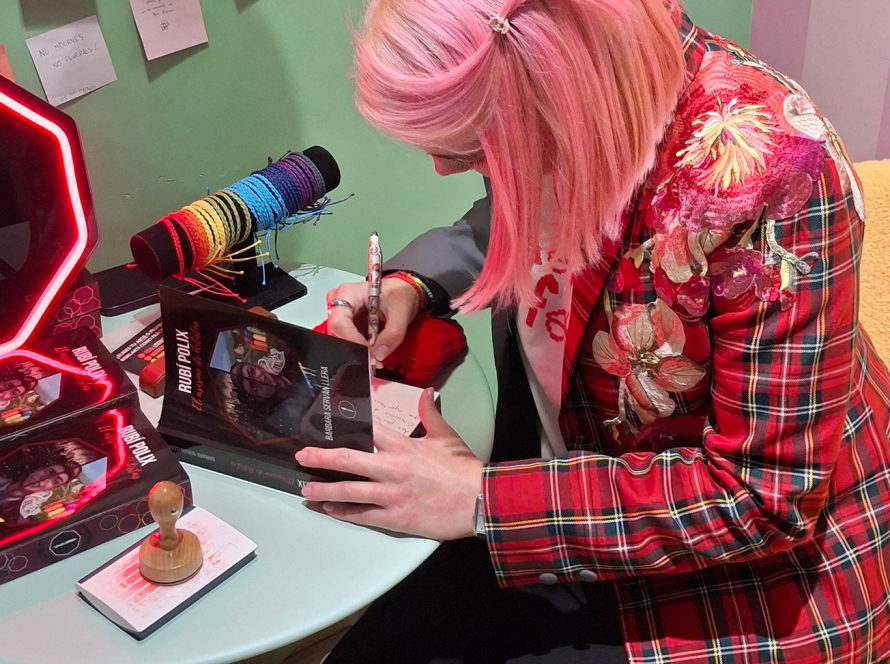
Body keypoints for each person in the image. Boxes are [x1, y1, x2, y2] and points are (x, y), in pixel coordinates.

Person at [298, 1, 890, 662]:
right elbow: (528, 207)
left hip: (731, 577)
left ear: (549, 81)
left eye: (471, 144)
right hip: (558, 478)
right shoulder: (585, 91)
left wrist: (482, 501)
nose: (443, 167)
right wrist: (412, 285)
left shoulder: (779, 173)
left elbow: (763, 500)